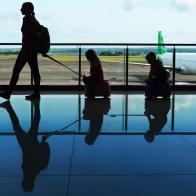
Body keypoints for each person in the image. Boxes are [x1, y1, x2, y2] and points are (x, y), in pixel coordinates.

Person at [0, 99, 50, 192]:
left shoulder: (39, 169)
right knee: (19, 126)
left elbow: (45, 153)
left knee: (34, 124)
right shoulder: (31, 171)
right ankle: (10, 107)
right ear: (25, 182)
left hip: (29, 145)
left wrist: (43, 142)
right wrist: (42, 144)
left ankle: (35, 105)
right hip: (27, 145)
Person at [0, 2, 41, 100]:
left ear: (26, 9)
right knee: (35, 72)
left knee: (16, 71)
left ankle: (8, 93)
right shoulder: (33, 19)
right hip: (32, 50)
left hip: (26, 50)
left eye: (22, 8)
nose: (21, 10)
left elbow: (27, 36)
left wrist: (25, 49)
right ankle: (36, 93)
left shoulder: (27, 19)